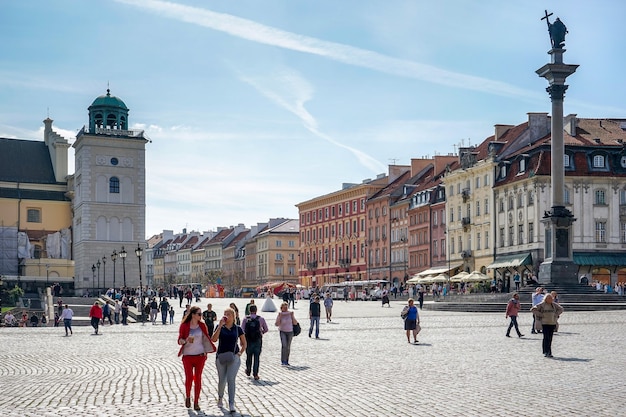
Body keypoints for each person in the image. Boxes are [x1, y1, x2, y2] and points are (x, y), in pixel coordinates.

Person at [212, 307, 246, 413]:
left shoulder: (237, 328)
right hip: (221, 356)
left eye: (228, 314)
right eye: (224, 313)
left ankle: (231, 403)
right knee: (222, 380)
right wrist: (220, 326)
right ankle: (220, 398)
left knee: (231, 379)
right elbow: (213, 339)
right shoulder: (220, 326)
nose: (226, 316)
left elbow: (244, 343)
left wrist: (240, 353)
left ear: (233, 316)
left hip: (234, 356)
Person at [178, 306, 211, 411]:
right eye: (199, 314)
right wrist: (185, 340)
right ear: (193, 315)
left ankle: (196, 402)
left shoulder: (202, 325)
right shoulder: (184, 325)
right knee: (189, 378)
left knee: (198, 379)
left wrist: (206, 351)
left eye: (201, 314)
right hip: (187, 356)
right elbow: (179, 340)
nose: (201, 316)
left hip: (200, 356)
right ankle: (188, 396)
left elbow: (206, 338)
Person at [531, 293, 564, 358]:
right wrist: (540, 314)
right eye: (549, 298)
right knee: (546, 338)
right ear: (545, 299)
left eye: (551, 298)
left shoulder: (554, 305)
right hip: (544, 323)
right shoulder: (542, 304)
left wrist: (556, 314)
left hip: (552, 323)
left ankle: (549, 351)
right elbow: (533, 309)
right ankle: (546, 351)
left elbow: (561, 309)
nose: (550, 299)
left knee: (550, 338)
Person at [241, 304, 268, 380]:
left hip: (248, 340)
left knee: (248, 356)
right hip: (257, 340)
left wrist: (242, 340)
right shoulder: (261, 319)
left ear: (249, 310)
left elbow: (242, 330)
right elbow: (266, 329)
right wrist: (261, 332)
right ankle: (255, 374)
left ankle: (248, 370)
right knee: (257, 357)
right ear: (256, 310)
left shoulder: (245, 319)